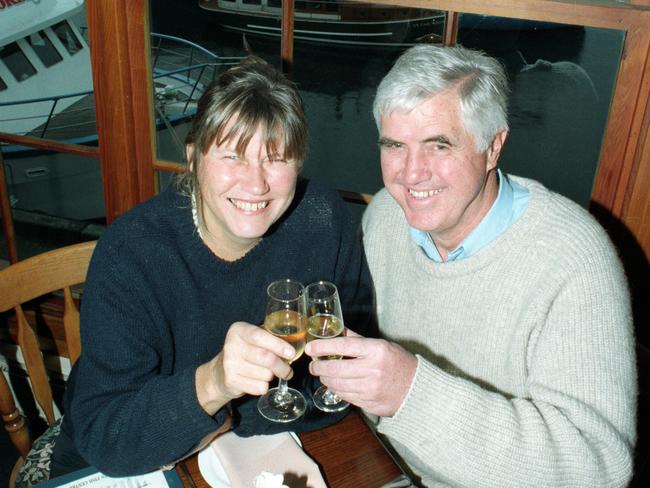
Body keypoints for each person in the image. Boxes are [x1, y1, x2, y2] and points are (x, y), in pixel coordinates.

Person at [305, 44, 637, 487]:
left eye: (438, 145)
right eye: (394, 146)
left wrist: (410, 393)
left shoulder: (573, 257)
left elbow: (598, 467)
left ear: (493, 146)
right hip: (383, 466)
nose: (410, 173)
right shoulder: (386, 216)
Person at [48, 56, 375, 478]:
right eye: (232, 156)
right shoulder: (132, 253)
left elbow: (340, 384)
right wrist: (213, 382)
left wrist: (232, 421)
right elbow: (107, 438)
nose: (256, 184)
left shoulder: (323, 219)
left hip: (252, 455)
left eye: (276, 158)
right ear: (193, 157)